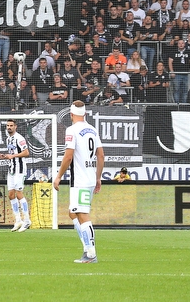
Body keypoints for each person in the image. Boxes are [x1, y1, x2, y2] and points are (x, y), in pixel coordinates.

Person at [54, 102, 104, 264]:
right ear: (85, 114)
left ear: (71, 114)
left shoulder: (72, 130)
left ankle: (90, 254)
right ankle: (87, 248)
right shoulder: (93, 130)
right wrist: (98, 177)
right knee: (73, 212)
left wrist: (58, 176)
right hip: (89, 178)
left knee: (82, 215)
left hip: (80, 180)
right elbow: (101, 155)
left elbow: (68, 156)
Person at [0, 119, 31, 232]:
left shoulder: (19, 138)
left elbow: (26, 153)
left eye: (11, 125)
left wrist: (13, 156)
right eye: (7, 125)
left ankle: (27, 220)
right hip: (11, 169)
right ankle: (18, 220)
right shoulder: (8, 139)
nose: (9, 127)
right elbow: (12, 154)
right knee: (11, 194)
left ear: (15, 127)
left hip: (20, 169)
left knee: (19, 194)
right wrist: (6, 156)